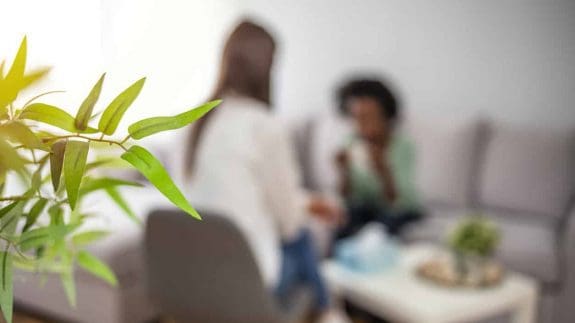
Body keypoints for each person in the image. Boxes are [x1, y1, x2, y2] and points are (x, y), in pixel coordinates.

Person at [183, 20, 344, 321]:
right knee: (302, 239)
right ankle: (328, 309)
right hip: (247, 284)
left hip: (196, 279)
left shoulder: (194, 123)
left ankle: (328, 309)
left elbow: (226, 195)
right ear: (267, 68)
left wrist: (307, 204)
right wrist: (304, 210)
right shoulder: (264, 125)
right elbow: (290, 223)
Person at [334, 78, 422, 240]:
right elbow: (346, 197)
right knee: (344, 222)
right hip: (369, 208)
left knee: (384, 227)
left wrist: (383, 170)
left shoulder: (402, 145)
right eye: (356, 118)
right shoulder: (351, 142)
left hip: (402, 210)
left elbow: (397, 202)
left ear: (385, 116)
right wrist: (343, 171)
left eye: (368, 117)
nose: (360, 124)